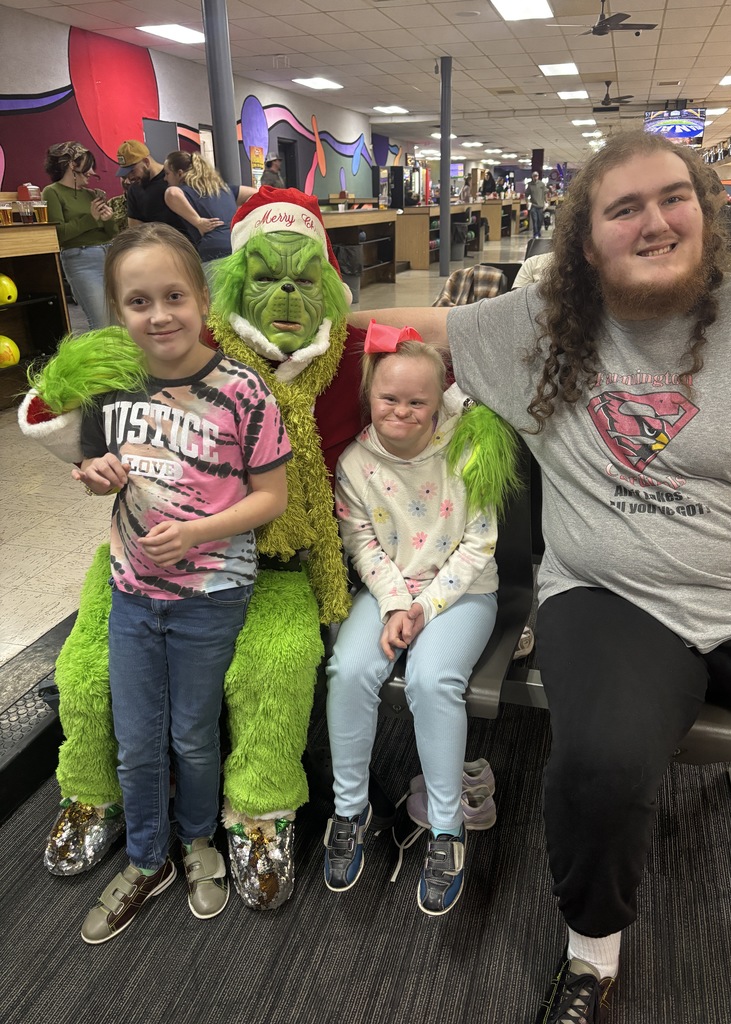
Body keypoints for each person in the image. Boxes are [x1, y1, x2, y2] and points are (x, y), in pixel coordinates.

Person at [349, 129, 731, 1022]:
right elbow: (403, 331)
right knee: (602, 768)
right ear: (586, 240)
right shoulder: (537, 327)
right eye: (624, 209)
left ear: (704, 209)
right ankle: (593, 955)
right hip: (612, 597)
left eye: (673, 198)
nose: (654, 223)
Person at [74, 223, 291, 943]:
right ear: (116, 311)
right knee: (138, 740)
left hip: (210, 594)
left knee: (194, 734)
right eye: (138, 301)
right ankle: (146, 859)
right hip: (134, 594)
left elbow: (273, 497)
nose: (159, 314)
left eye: (173, 295)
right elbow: (93, 468)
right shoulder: (110, 386)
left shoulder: (242, 391)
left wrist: (199, 532)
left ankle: (198, 840)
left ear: (202, 299)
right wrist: (93, 473)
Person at [323, 324, 513, 916]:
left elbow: (480, 544)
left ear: (438, 403)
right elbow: (362, 546)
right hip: (388, 593)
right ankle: (349, 811)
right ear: (369, 397)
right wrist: (392, 604)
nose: (401, 411)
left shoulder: (468, 450)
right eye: (389, 399)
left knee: (433, 682)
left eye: (417, 402)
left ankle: (448, 829)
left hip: (463, 594)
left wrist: (423, 608)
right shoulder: (355, 462)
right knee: (348, 670)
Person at [42, 142, 118, 330]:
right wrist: (91, 219)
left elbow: (111, 233)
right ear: (71, 165)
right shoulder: (52, 192)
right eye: (87, 166)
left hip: (108, 255)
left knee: (120, 322)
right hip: (81, 259)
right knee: (101, 322)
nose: (92, 172)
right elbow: (59, 234)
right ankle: (102, 360)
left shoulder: (92, 194)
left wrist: (108, 219)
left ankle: (123, 359)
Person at [163, 150, 257, 283]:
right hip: (238, 246)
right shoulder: (224, 189)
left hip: (213, 251)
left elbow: (171, 193)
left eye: (167, 173)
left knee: (216, 300)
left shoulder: (185, 190)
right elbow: (256, 194)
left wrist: (198, 221)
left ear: (179, 174)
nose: (165, 178)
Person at [116, 139, 185, 234]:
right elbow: (135, 228)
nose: (130, 177)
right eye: (126, 173)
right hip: (155, 244)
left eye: (132, 171)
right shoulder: (134, 189)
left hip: (183, 243)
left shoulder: (173, 179)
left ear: (146, 162)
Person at [525, 170, 547, 239]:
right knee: (535, 220)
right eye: (534, 176)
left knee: (540, 220)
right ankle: (535, 233)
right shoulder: (530, 185)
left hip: (540, 206)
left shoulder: (542, 184)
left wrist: (546, 201)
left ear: (538, 176)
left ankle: (538, 231)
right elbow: (526, 195)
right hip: (533, 206)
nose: (535, 177)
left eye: (536, 176)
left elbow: (545, 193)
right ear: (532, 177)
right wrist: (527, 202)